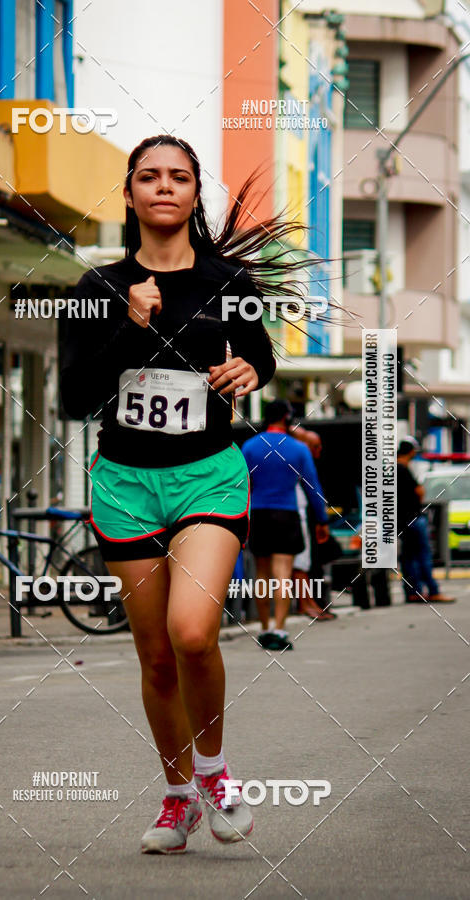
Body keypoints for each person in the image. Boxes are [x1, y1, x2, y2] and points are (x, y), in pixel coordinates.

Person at [60, 135, 316, 854]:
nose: (164, 186)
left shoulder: (228, 282)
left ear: (195, 192)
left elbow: (259, 354)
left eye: (179, 176)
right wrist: (130, 326)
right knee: (155, 655)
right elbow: (76, 398)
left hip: (207, 472)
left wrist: (252, 374)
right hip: (125, 484)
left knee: (193, 634)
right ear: (130, 193)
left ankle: (214, 772)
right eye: (149, 176)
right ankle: (178, 799)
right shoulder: (98, 290)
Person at [241, 400, 330, 650]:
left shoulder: (250, 446)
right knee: (283, 574)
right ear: (286, 417)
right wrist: (321, 519)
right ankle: (279, 630)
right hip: (286, 514)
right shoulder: (298, 449)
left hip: (259, 513)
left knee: (261, 574)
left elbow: (242, 485)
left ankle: (264, 628)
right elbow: (313, 486)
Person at [397, 438, 454, 604]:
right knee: (423, 556)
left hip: (401, 520)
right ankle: (432, 590)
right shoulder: (403, 469)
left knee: (408, 558)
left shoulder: (391, 470)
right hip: (413, 518)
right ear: (411, 451)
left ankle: (413, 592)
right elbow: (419, 491)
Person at [291, 428, 336, 621]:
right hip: (298, 514)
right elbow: (314, 490)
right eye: (314, 446)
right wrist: (322, 519)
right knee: (300, 562)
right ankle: (306, 603)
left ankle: (310, 602)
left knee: (306, 562)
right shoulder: (299, 457)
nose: (318, 450)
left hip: (300, 514)